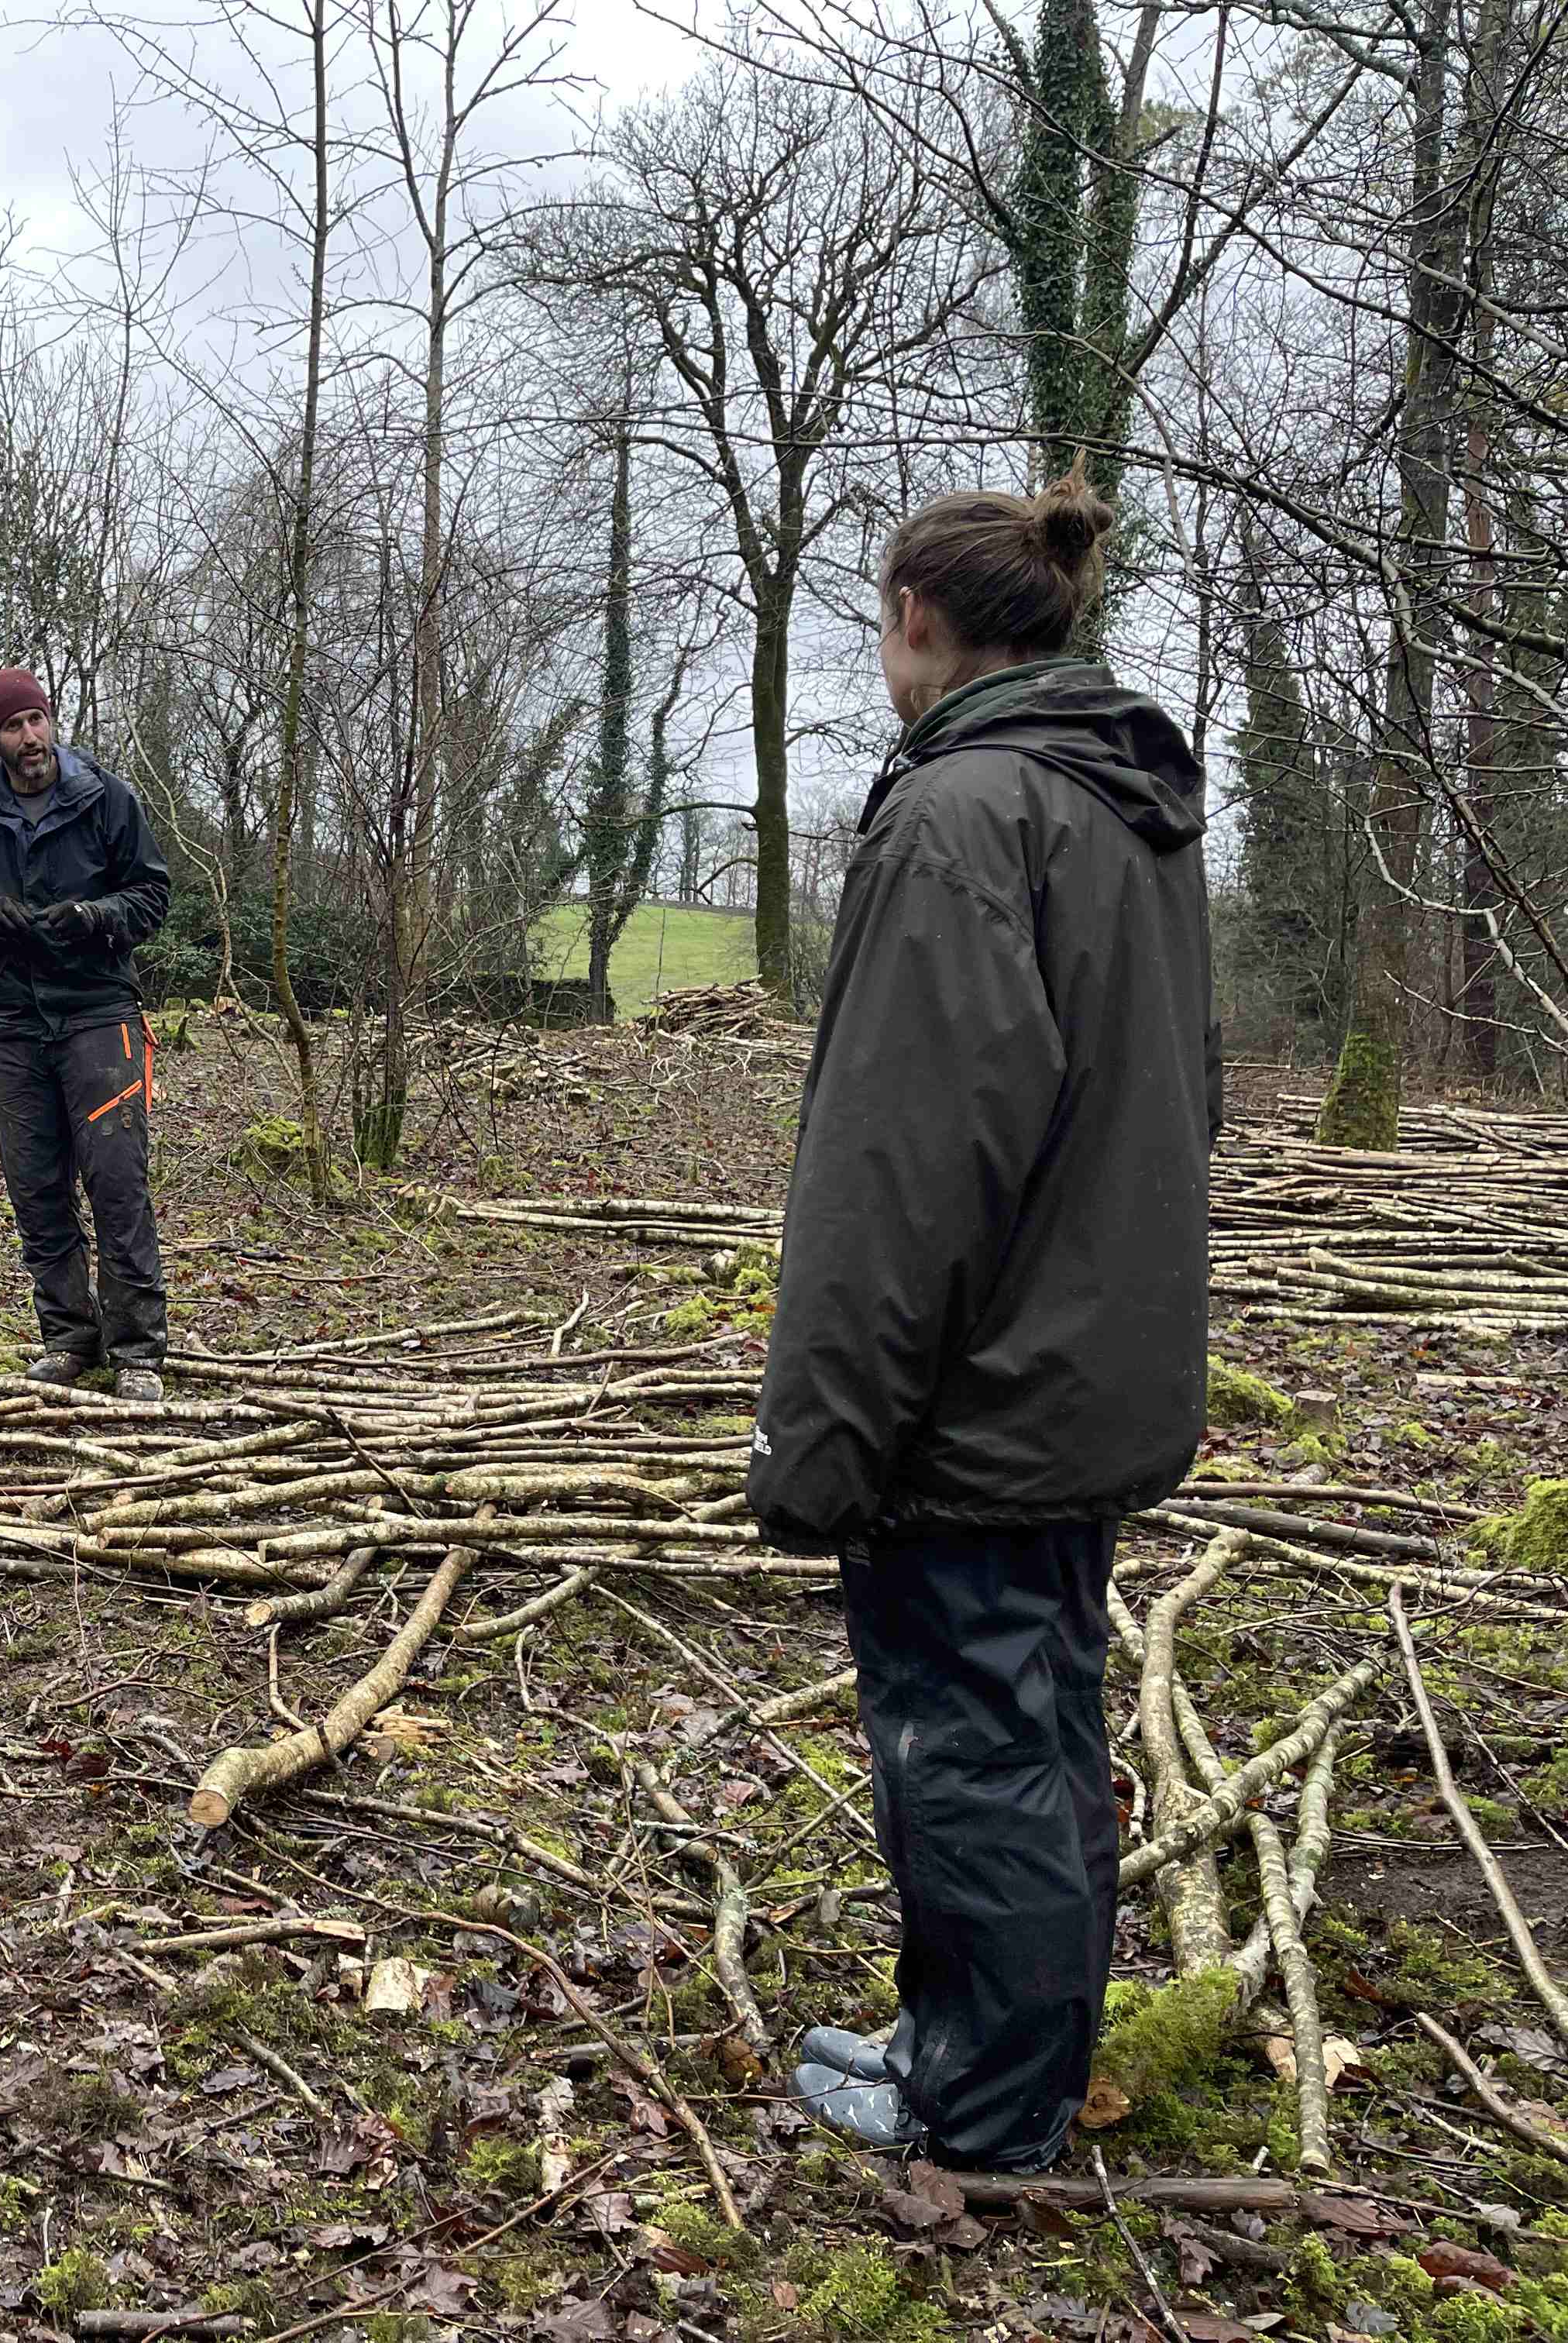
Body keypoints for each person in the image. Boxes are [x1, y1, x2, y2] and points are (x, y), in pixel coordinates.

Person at [748, 470, 1218, 2172]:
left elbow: (898, 1173)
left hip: (984, 1388)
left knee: (971, 1748)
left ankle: (982, 2110)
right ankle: (977, 2042)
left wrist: (823, 1442)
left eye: (881, 621)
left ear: (919, 624)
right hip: (1088, 1354)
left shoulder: (963, 818)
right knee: (1030, 1722)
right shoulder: (1125, 810)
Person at [0, 669, 174, 1404]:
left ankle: (136, 1351)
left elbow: (153, 893)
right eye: (13, 727)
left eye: (36, 719)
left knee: (117, 1181)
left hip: (100, 1014)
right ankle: (68, 1338)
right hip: (12, 1021)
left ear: (50, 722)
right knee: (36, 1187)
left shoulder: (107, 798)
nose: (29, 737)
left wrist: (98, 917)